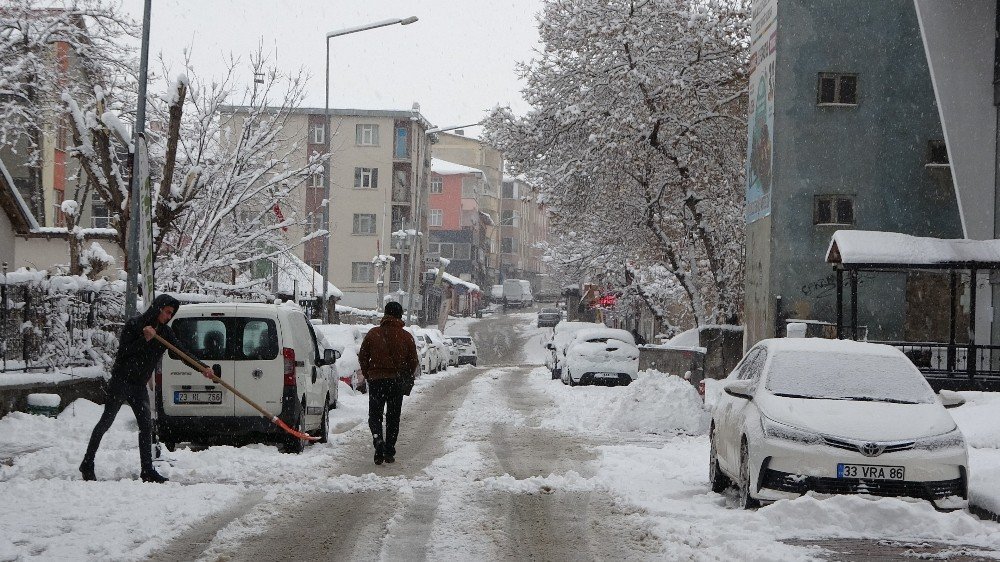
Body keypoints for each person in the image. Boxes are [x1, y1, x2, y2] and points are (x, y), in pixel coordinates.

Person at [80, 294, 213, 483]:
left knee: (146, 427)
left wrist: (202, 368)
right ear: (158, 308)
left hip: (138, 385)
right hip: (121, 381)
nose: (168, 316)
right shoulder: (135, 325)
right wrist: (145, 338)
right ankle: (87, 463)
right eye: (167, 312)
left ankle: (147, 470)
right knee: (106, 422)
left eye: (171, 314)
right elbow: (124, 353)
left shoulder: (165, 333)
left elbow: (182, 353)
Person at [357, 301, 419, 465]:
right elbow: (413, 360)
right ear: (400, 316)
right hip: (396, 382)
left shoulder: (373, 334)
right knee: (393, 417)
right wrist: (406, 375)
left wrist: (368, 374)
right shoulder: (406, 337)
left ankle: (378, 439)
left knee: (375, 415)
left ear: (385, 314)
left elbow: (363, 356)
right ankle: (389, 450)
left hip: (377, 380)